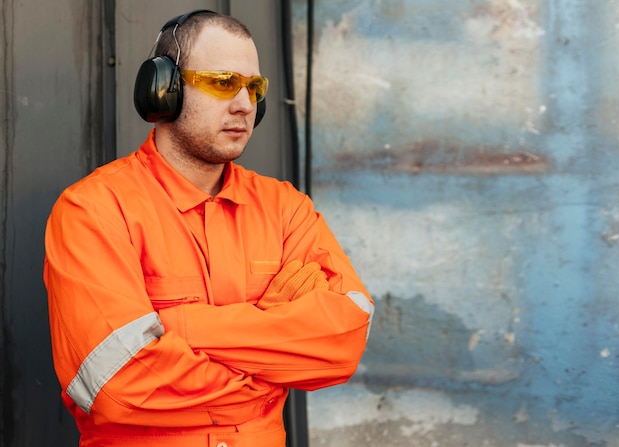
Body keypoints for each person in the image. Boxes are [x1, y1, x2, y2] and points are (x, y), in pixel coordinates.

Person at [43, 9, 373, 447]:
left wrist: (181, 327)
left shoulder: (286, 209)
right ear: (164, 90)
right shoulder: (93, 210)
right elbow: (116, 384)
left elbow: (343, 340)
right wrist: (267, 373)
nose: (244, 105)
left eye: (254, 88)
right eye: (222, 82)